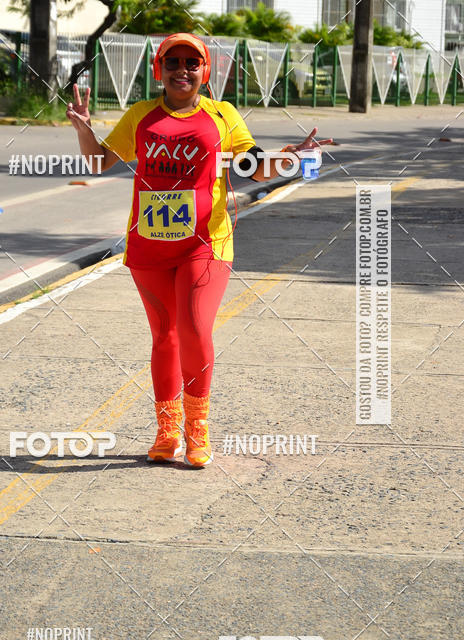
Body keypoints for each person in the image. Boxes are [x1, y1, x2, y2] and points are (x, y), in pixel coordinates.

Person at [67, 32, 333, 469]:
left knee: (193, 328)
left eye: (192, 63)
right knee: (164, 336)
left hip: (206, 243)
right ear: (159, 71)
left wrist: (289, 158)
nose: (182, 71)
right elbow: (99, 162)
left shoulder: (221, 116)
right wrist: (84, 131)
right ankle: (167, 431)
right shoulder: (141, 116)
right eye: (172, 63)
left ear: (204, 72)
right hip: (149, 246)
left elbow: (249, 168)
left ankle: (197, 430)